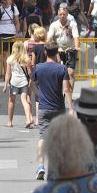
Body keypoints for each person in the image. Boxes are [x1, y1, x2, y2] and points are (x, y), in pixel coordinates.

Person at [33, 42, 73, 181]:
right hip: (58, 108)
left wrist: (39, 96)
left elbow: (32, 84)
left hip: (43, 108)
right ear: (57, 53)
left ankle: (40, 166)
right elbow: (67, 90)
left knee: (43, 137)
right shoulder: (62, 69)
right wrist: (71, 108)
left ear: (45, 52)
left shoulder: (38, 68)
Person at [47, 7, 80, 91]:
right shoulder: (54, 25)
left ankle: (70, 93)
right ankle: (58, 92)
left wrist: (76, 47)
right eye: (60, 14)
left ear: (67, 14)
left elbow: (76, 37)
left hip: (70, 50)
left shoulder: (72, 24)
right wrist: (49, 46)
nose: (62, 16)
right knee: (58, 73)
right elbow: (49, 37)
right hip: (58, 51)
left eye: (64, 14)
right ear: (58, 15)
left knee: (70, 73)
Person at [3, 41, 34, 129]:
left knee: (11, 101)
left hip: (14, 82)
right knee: (24, 100)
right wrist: (31, 81)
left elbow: (8, 73)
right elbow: (30, 73)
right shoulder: (26, 58)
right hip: (24, 82)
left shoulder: (10, 59)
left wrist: (5, 85)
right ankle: (28, 119)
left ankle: (9, 121)